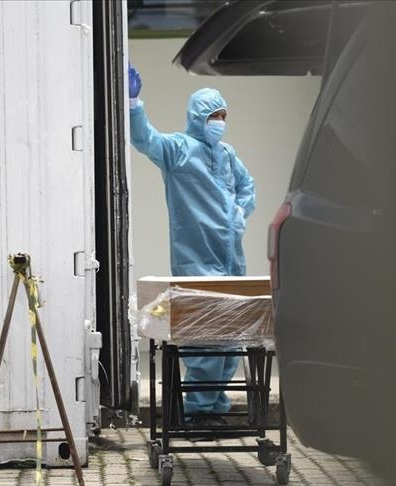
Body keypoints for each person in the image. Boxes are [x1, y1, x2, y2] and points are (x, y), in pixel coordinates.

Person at [128, 64, 256, 423]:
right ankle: (198, 412)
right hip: (196, 261)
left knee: (230, 342)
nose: (220, 122)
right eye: (214, 116)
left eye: (223, 115)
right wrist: (134, 104)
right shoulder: (178, 150)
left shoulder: (227, 154)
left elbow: (247, 186)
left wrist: (241, 211)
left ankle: (215, 408)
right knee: (205, 339)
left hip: (232, 262)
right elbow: (146, 140)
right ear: (198, 118)